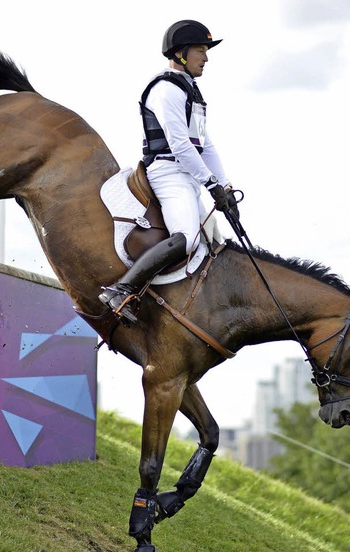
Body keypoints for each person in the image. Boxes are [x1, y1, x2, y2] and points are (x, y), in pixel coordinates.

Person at [99, 19, 237, 324]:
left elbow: (206, 145)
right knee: (186, 238)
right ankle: (121, 290)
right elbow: (180, 145)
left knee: (214, 243)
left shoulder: (192, 92)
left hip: (188, 175)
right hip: (168, 172)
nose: (206, 57)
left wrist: (225, 188)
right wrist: (211, 184)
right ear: (181, 53)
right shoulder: (166, 89)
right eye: (201, 49)